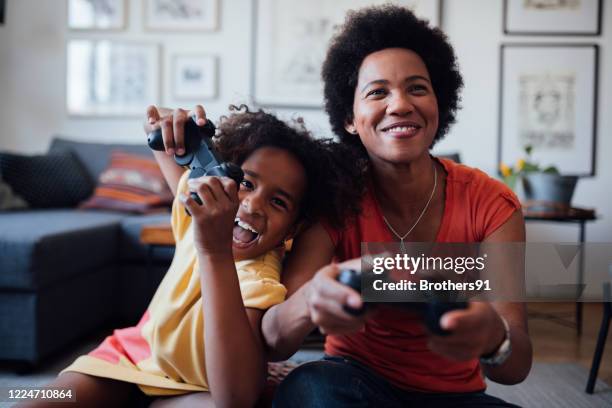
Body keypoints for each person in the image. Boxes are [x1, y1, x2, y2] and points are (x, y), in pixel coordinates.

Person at [259, 5, 532, 407]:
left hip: (455, 397)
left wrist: (494, 337)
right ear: (351, 118)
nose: (401, 104)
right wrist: (310, 298)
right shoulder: (337, 196)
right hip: (352, 382)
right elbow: (275, 339)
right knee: (309, 387)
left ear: (439, 104)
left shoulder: (492, 204)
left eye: (418, 88)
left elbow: (515, 369)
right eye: (377, 92)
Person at [19, 105, 362, 408]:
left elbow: (235, 397)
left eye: (278, 202)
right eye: (245, 183)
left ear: (290, 230)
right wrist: (171, 125)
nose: (254, 205)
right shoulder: (200, 208)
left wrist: (214, 251)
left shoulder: (260, 280)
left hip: (193, 389)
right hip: (127, 360)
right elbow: (160, 134)